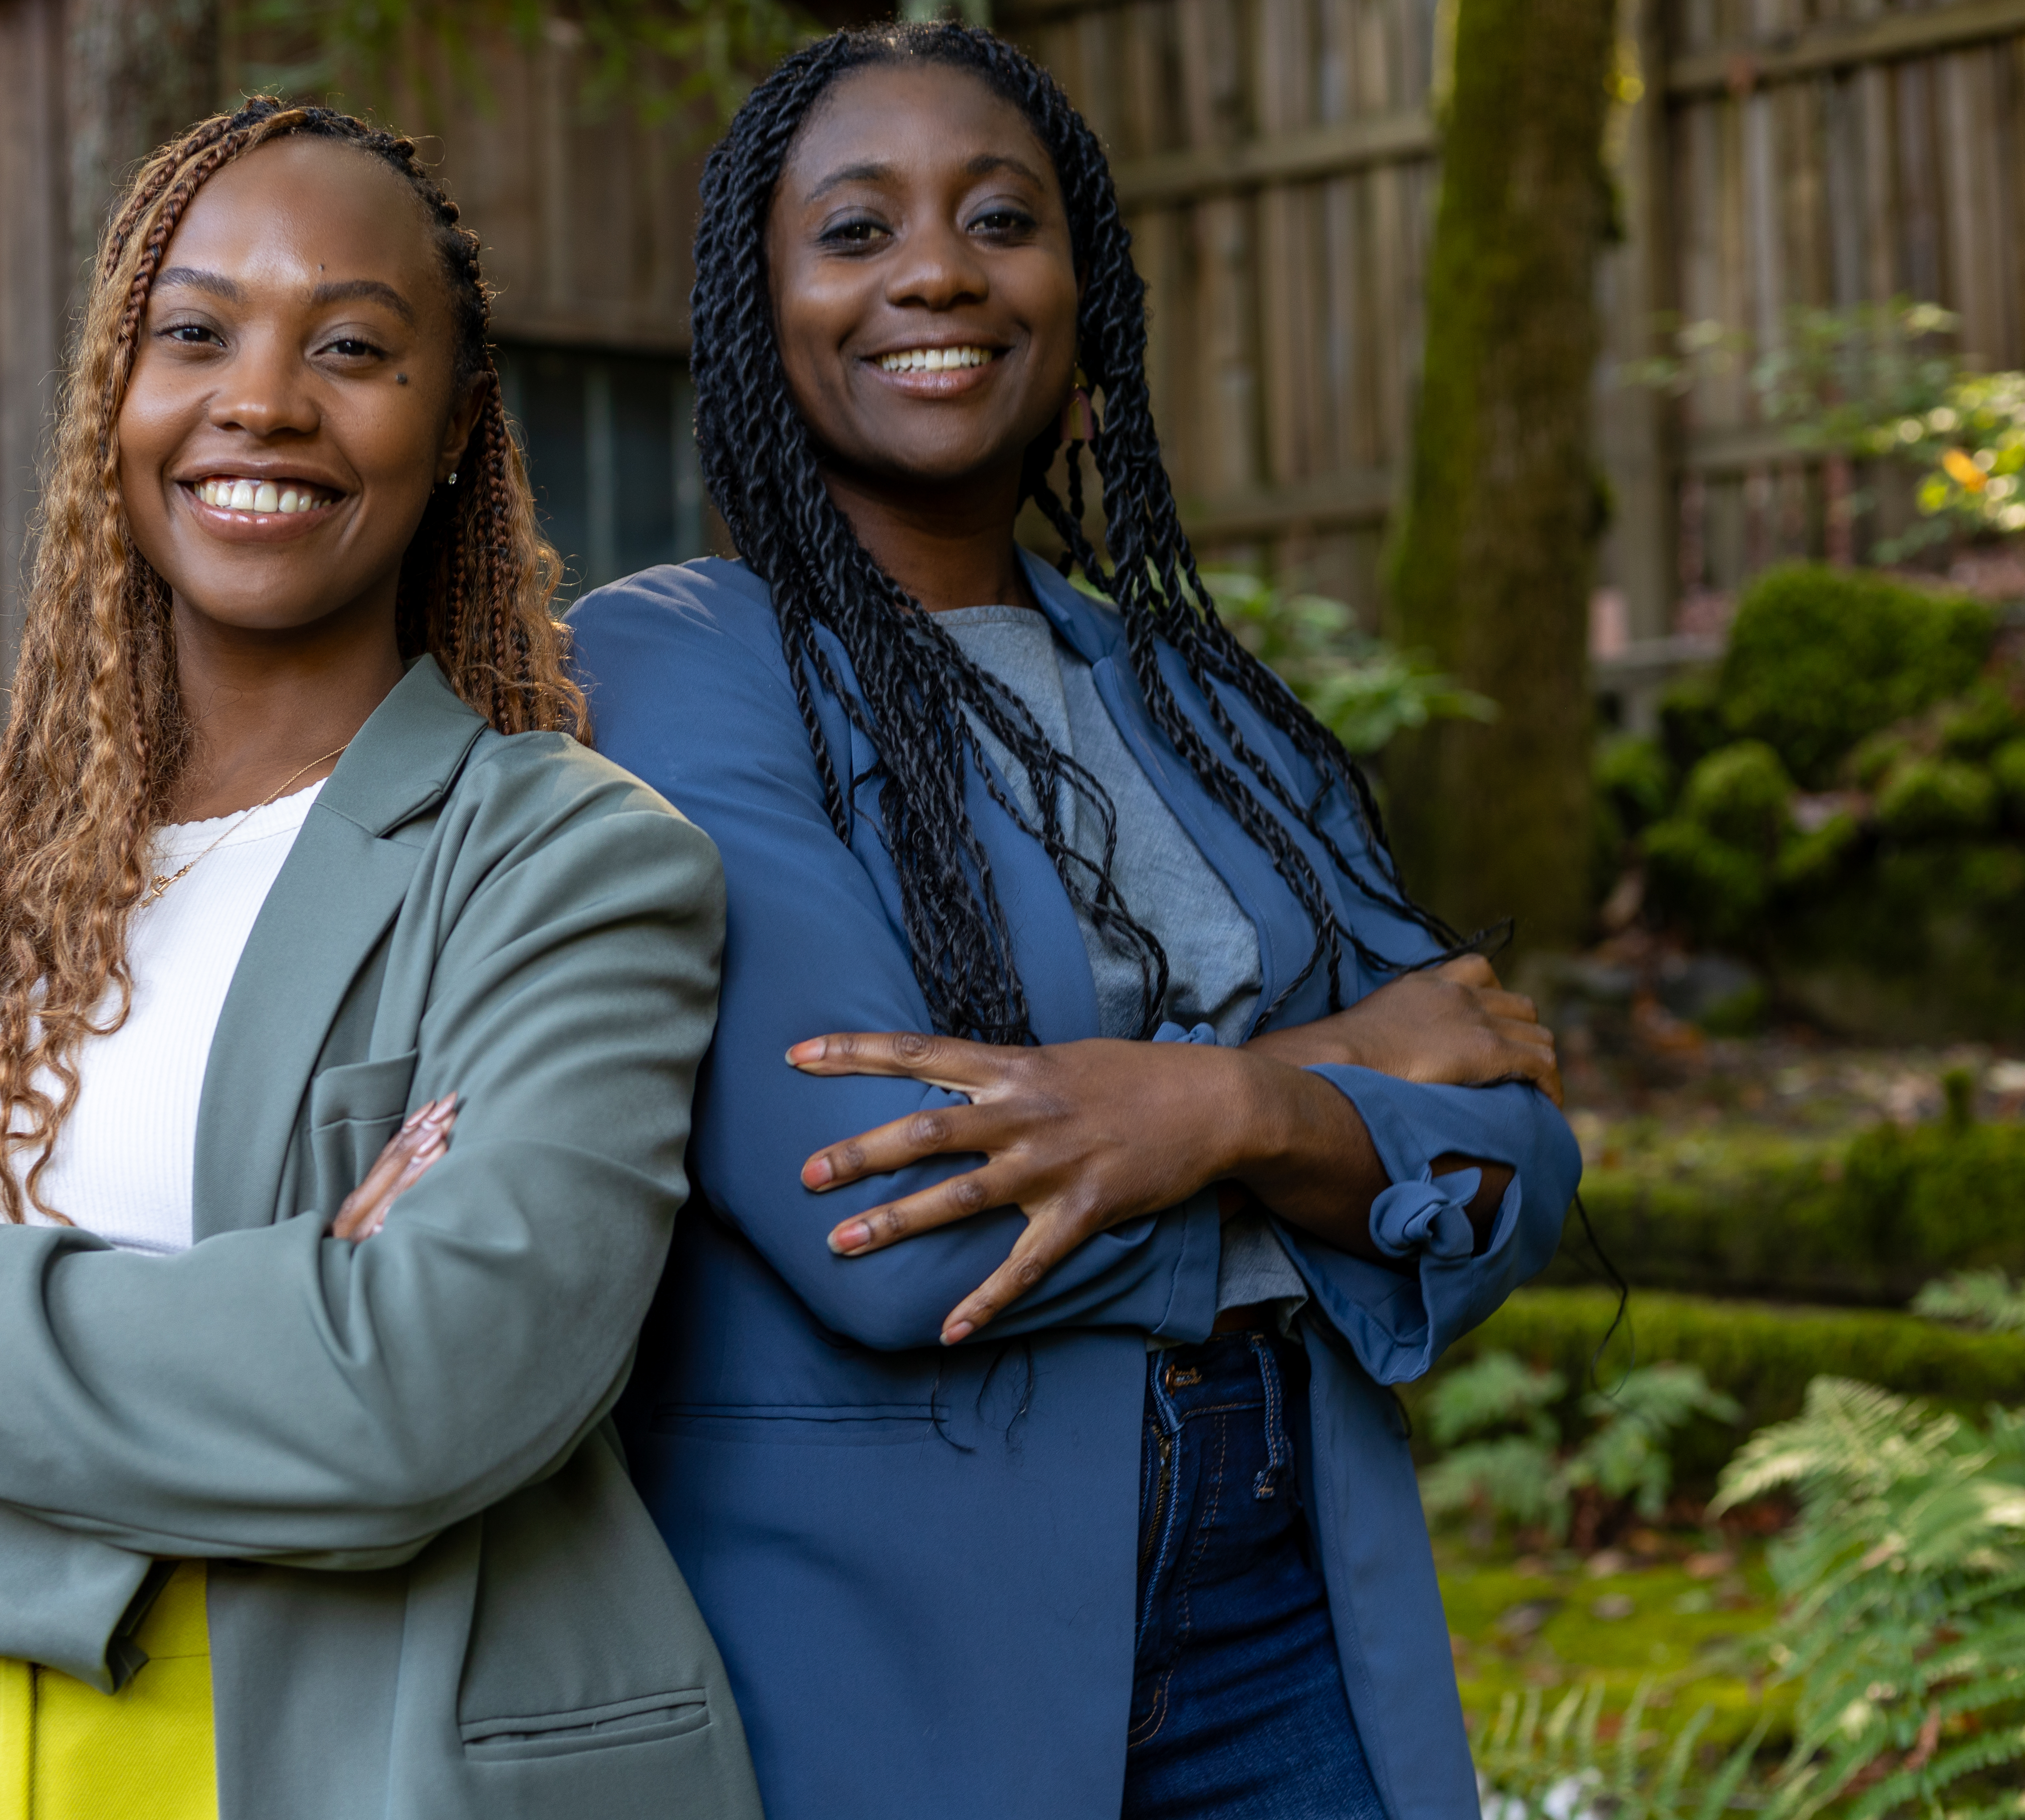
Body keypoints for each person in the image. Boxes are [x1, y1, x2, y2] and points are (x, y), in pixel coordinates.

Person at [0, 100, 760, 1820]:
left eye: (352, 347)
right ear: (116, 399)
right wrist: (198, 1427)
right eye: (195, 333)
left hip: (365, 1767)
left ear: (453, 428)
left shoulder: (564, 865)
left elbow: (423, 1391)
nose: (263, 400)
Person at [567, 23, 1580, 1820]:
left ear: (1081, 290)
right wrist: (1323, 1100)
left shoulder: (1204, 701)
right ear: (758, 301)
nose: (938, 270)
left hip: (1293, 1609)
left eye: (999, 219)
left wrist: (1215, 1112)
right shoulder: (676, 671)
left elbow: (1511, 1164)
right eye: (857, 231)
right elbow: (896, 1219)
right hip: (900, 1654)